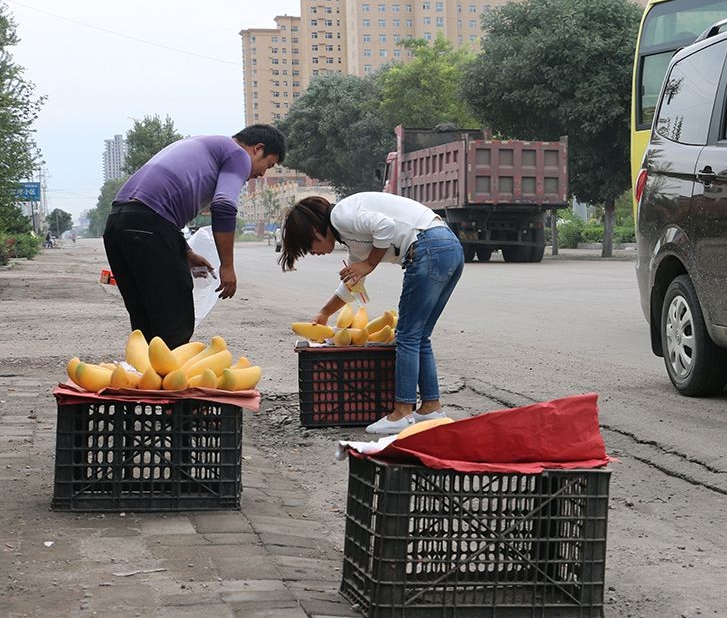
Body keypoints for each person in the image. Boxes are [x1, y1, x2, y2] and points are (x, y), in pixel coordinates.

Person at [279, 193, 464, 434]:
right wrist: (325, 312)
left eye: (308, 247)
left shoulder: (341, 215)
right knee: (419, 337)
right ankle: (431, 407)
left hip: (427, 247)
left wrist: (370, 264)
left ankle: (402, 412)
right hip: (448, 247)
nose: (313, 253)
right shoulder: (352, 238)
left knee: (407, 336)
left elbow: (384, 227)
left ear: (314, 230)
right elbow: (353, 284)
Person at [103, 124, 286, 349]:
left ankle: (148, 379)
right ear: (258, 149)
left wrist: (185, 252)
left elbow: (150, 206)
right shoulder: (237, 154)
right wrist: (227, 266)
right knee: (174, 323)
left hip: (117, 226)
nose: (261, 174)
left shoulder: (205, 144)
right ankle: (172, 381)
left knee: (146, 323)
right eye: (267, 165)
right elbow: (224, 205)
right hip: (149, 227)